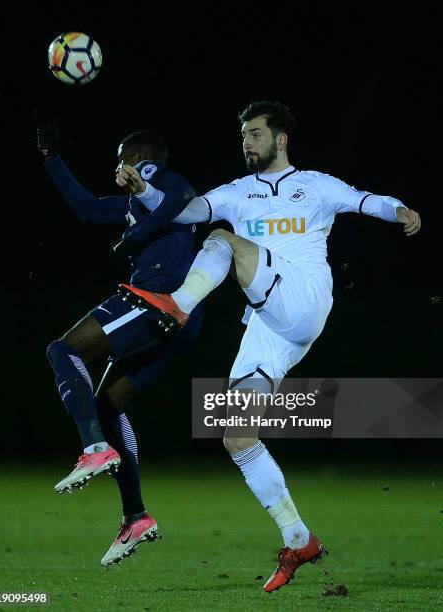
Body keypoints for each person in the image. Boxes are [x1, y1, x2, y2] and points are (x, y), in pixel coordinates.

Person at [115, 100, 421, 591]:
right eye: (242, 135)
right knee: (236, 433)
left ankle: (179, 304)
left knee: (223, 241)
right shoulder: (238, 192)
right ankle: (298, 538)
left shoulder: (316, 185)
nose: (246, 142)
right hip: (268, 323)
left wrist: (399, 209)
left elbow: (366, 200)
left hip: (304, 298)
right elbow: (187, 210)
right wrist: (146, 190)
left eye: (255, 133)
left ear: (280, 139)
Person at [35, 113, 203, 566]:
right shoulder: (138, 204)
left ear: (135, 159)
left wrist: (136, 237)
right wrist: (51, 158)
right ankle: (136, 517)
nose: (117, 168)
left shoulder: (154, 177)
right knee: (108, 404)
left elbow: (182, 193)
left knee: (62, 349)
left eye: (119, 160)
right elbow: (87, 207)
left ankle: (93, 447)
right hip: (180, 314)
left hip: (155, 300)